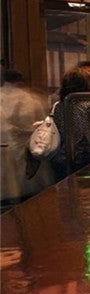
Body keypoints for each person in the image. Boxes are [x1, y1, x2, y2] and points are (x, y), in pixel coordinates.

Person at [51, 68, 90, 181]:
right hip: (81, 154)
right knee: (85, 186)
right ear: (86, 84)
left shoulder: (59, 105)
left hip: (58, 154)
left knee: (63, 187)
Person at [1, 69, 50, 204]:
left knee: (8, 184)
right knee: (27, 184)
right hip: (27, 145)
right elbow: (42, 124)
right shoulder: (31, 100)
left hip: (4, 147)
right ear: (20, 82)